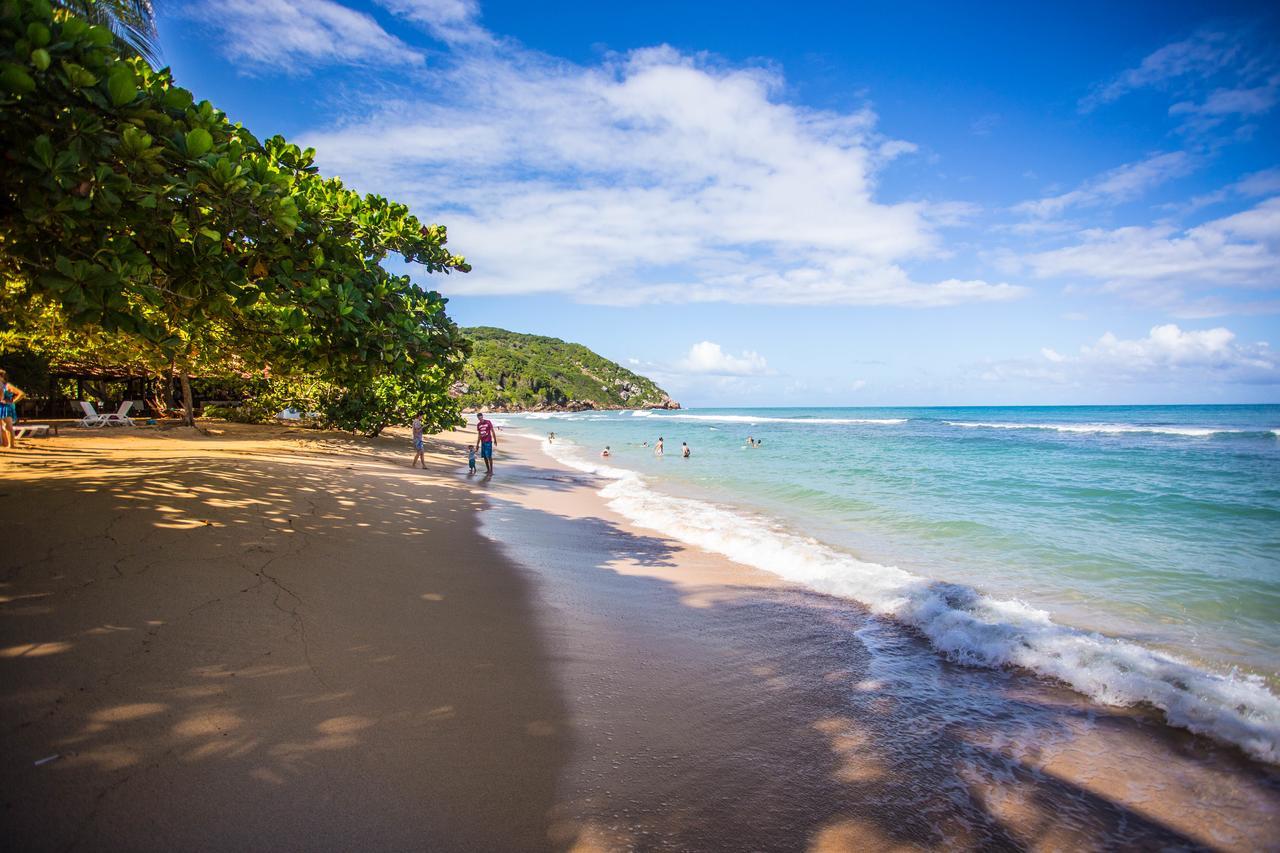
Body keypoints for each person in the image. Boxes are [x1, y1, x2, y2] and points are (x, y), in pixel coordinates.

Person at [0, 369, 24, 450]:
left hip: (6, 407)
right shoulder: (1, 386)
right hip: (1, 406)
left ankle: (11, 445)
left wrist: (12, 401)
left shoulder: (7, 385)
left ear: (1, 376)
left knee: (7, 426)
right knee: (3, 427)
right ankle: (5, 443)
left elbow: (21, 394)